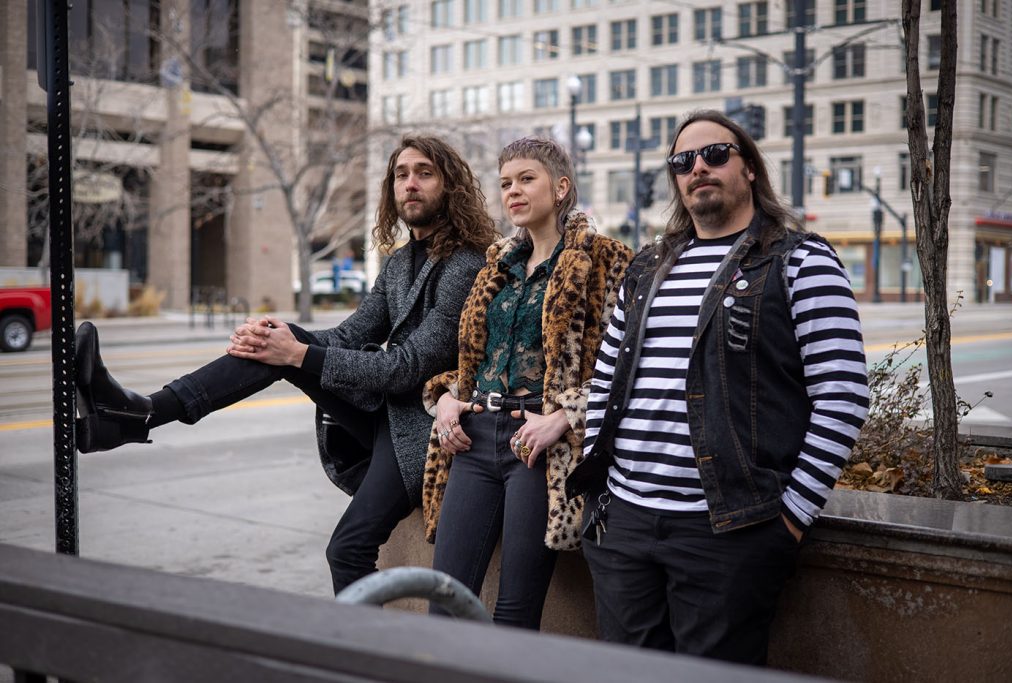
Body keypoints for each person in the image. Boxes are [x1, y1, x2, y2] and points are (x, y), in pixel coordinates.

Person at [74, 135, 498, 595]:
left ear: (449, 186)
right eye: (401, 174)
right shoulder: (399, 264)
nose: (410, 184)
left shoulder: (466, 266)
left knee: (347, 549)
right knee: (285, 339)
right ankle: (139, 413)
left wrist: (297, 352)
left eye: (424, 173)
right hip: (382, 414)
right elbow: (350, 337)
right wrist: (274, 337)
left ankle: (370, 658)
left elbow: (405, 368)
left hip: (423, 431)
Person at [566, 110, 869, 663]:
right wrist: (596, 486)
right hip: (623, 523)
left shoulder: (801, 259)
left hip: (728, 531)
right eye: (683, 161)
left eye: (715, 154)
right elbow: (606, 375)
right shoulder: (647, 265)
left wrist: (789, 519)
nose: (698, 168)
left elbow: (843, 395)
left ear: (749, 167)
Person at [419, 137, 632, 629]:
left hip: (537, 446)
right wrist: (450, 397)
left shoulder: (605, 259)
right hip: (473, 439)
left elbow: (622, 364)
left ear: (561, 187)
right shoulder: (498, 265)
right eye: (505, 183)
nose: (512, 191)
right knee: (444, 600)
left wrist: (564, 416)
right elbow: (476, 357)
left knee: (516, 611)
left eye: (526, 179)